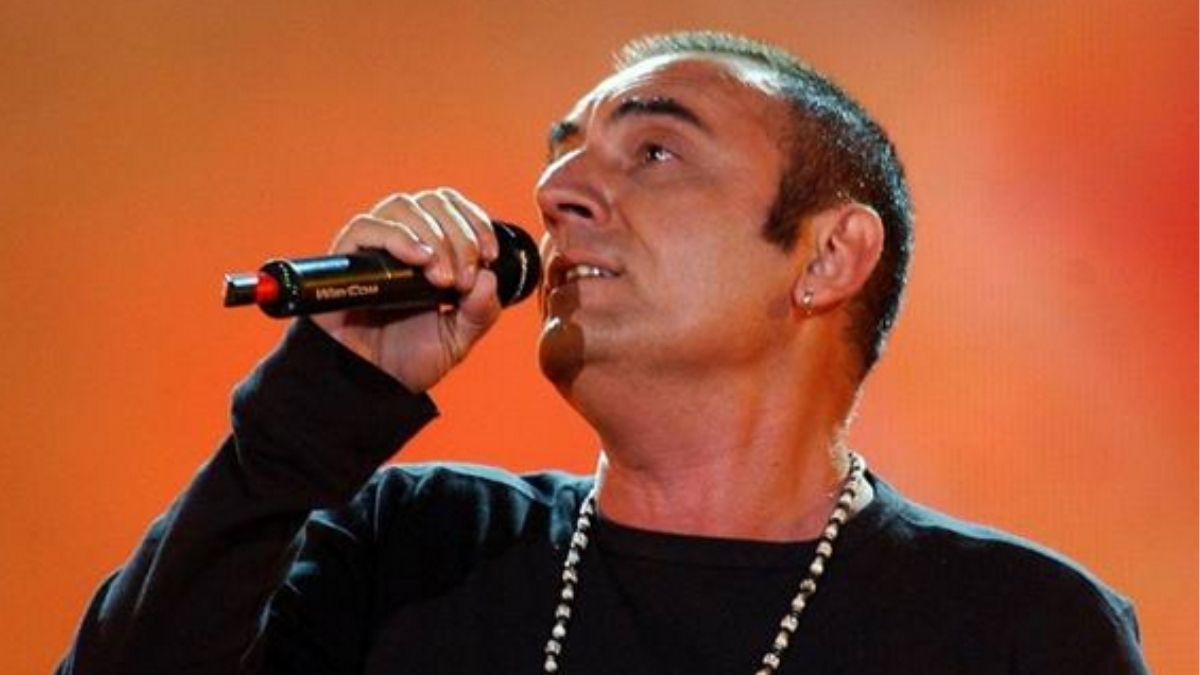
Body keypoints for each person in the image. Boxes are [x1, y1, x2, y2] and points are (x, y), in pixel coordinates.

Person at [57, 31, 1148, 674]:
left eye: (656, 150)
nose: (557, 191)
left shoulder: (1018, 628)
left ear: (827, 257)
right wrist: (323, 395)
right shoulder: (413, 550)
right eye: (565, 155)